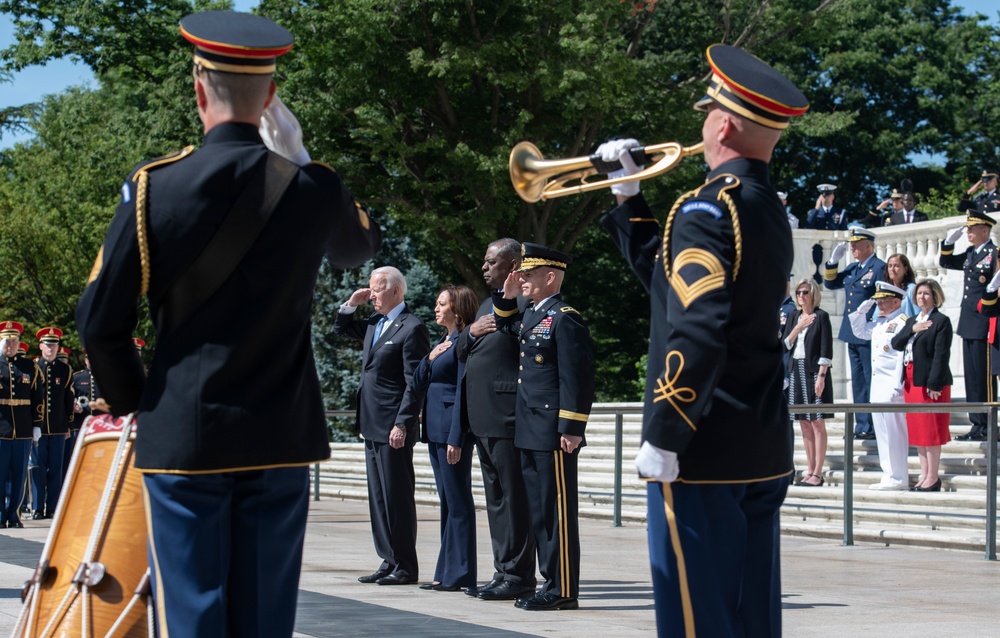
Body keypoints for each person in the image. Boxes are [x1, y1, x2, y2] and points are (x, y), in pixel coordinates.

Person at [76, 10, 381, 636]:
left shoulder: (154, 187)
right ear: (271, 95)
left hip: (185, 438)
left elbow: (99, 324)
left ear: (197, 89)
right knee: (266, 620)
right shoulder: (311, 188)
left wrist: (140, 404)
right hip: (278, 433)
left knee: (193, 617)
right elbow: (357, 250)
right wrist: (303, 158)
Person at [599, 44, 807, 636]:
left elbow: (697, 328)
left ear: (722, 123)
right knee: (751, 620)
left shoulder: (704, 206)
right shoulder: (765, 209)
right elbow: (678, 291)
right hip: (760, 442)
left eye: (705, 115)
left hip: (702, 444)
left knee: (697, 622)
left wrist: (666, 434)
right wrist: (628, 197)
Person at [492, 242, 594, 611]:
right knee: (539, 511)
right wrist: (507, 293)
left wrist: (572, 427)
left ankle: (563, 588)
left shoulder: (565, 317)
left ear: (550, 277)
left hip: (553, 431)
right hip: (529, 427)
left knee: (557, 513)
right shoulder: (536, 313)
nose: (523, 281)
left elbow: (577, 378)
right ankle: (549, 582)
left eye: (529, 275)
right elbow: (505, 324)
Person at [333, 266, 430, 586]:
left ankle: (405, 565)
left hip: (393, 426)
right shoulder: (375, 323)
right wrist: (351, 302)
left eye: (377, 289)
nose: (372, 294)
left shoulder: (411, 327)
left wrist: (403, 422)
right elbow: (341, 329)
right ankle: (388, 559)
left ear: (396, 291)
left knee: (397, 495)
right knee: (378, 496)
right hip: (371, 423)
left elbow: (413, 383)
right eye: (371, 289)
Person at [456, 238, 537, 601]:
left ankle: (519, 576)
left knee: (514, 500)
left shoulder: (525, 303)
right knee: (495, 499)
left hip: (508, 416)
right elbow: (460, 353)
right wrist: (469, 333)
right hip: (483, 417)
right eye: (485, 263)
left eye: (492, 263)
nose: (485, 268)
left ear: (513, 267)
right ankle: (502, 570)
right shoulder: (486, 304)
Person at [410, 285, 479, 592]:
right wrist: (428, 358)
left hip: (452, 432)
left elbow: (464, 389)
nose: (436, 309)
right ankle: (445, 572)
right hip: (435, 432)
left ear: (458, 309)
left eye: (442, 304)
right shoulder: (443, 340)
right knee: (447, 503)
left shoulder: (463, 342)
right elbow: (418, 381)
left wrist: (457, 436)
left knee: (458, 502)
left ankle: (461, 573)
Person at [939, 208, 996, 441]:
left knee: (985, 378)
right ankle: (977, 424)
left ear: (985, 230)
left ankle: (989, 425)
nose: (968, 232)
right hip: (968, 322)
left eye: (972, 229)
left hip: (985, 322)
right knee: (972, 377)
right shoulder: (971, 253)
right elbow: (946, 261)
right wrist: (947, 243)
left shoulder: (995, 254)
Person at [890, 279, 952, 491]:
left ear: (935, 296)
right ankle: (924, 475)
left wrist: (934, 383)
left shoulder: (941, 321)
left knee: (930, 429)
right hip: (911, 382)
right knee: (918, 431)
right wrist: (912, 329)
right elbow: (896, 343)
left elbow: (941, 355)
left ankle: (933, 477)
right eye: (919, 293)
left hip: (930, 383)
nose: (921, 297)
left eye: (926, 294)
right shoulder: (913, 320)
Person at [824, 227, 885, 439]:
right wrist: (832, 262)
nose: (853, 248)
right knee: (858, 380)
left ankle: (873, 425)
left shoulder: (879, 267)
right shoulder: (853, 268)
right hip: (852, 331)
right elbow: (830, 283)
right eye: (852, 244)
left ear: (868, 245)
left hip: (868, 331)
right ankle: (862, 425)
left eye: (856, 244)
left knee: (870, 378)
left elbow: (883, 300)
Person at [849, 282, 910, 490]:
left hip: (893, 388)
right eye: (878, 300)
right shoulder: (879, 322)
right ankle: (889, 475)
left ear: (896, 301)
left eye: (883, 301)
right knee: (883, 435)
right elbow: (858, 331)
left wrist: (897, 385)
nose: (879, 304)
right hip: (878, 387)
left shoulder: (902, 322)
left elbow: (902, 356)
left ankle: (899, 477)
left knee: (895, 435)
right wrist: (862, 310)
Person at [782, 279, 833, 487]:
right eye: (798, 292)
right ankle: (810, 470)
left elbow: (825, 349)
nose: (801, 296)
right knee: (803, 422)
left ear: (813, 294)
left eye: (805, 292)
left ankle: (818, 472)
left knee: (817, 422)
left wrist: (821, 376)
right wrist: (798, 327)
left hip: (814, 372)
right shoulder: (794, 316)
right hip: (796, 370)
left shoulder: (821, 317)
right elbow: (784, 343)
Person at [0, 321, 43, 529]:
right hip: (1, 428)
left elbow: (38, 398)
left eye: (14, 341)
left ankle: (14, 514)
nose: (11, 345)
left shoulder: (29, 367)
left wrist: (37, 424)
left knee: (19, 474)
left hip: (23, 428)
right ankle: (0, 514)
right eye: (7, 341)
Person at [31, 327, 74, 520]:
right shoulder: (33, 367)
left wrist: (68, 425)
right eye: (48, 345)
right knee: (39, 469)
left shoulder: (64, 369)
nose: (51, 349)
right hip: (39, 427)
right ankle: (38, 507)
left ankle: (53, 507)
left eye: (54, 345)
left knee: (56, 468)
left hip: (57, 426)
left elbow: (68, 398)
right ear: (41, 346)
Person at [68, 352, 108, 476]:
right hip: (81, 425)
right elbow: (69, 398)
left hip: (100, 425)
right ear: (86, 360)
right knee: (79, 459)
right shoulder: (77, 378)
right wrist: (74, 405)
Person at [884, 253, 918, 317]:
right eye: (890, 266)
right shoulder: (885, 289)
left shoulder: (912, 289)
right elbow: (877, 314)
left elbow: (918, 314)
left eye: (896, 266)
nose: (892, 269)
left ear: (905, 269)